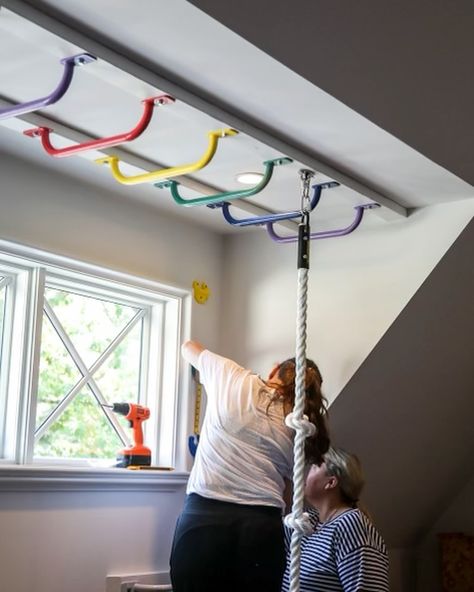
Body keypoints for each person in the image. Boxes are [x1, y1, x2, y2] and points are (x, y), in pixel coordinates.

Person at [170, 340, 330, 592]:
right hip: (261, 530)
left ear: (273, 370)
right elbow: (287, 495)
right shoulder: (300, 424)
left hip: (205, 521)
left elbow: (188, 346)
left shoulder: (232, 375)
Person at [281, 447, 389, 592]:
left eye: (315, 467)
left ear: (330, 483)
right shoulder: (307, 522)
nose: (306, 472)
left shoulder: (350, 523)